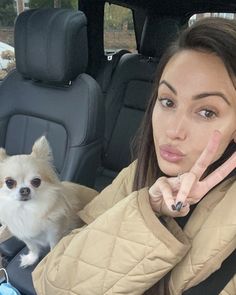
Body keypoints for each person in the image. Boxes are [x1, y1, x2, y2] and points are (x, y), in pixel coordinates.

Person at [32, 17, 236, 295]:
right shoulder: (138, 174)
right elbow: (51, 284)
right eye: (168, 101)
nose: (173, 130)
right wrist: (146, 214)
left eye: (207, 112)